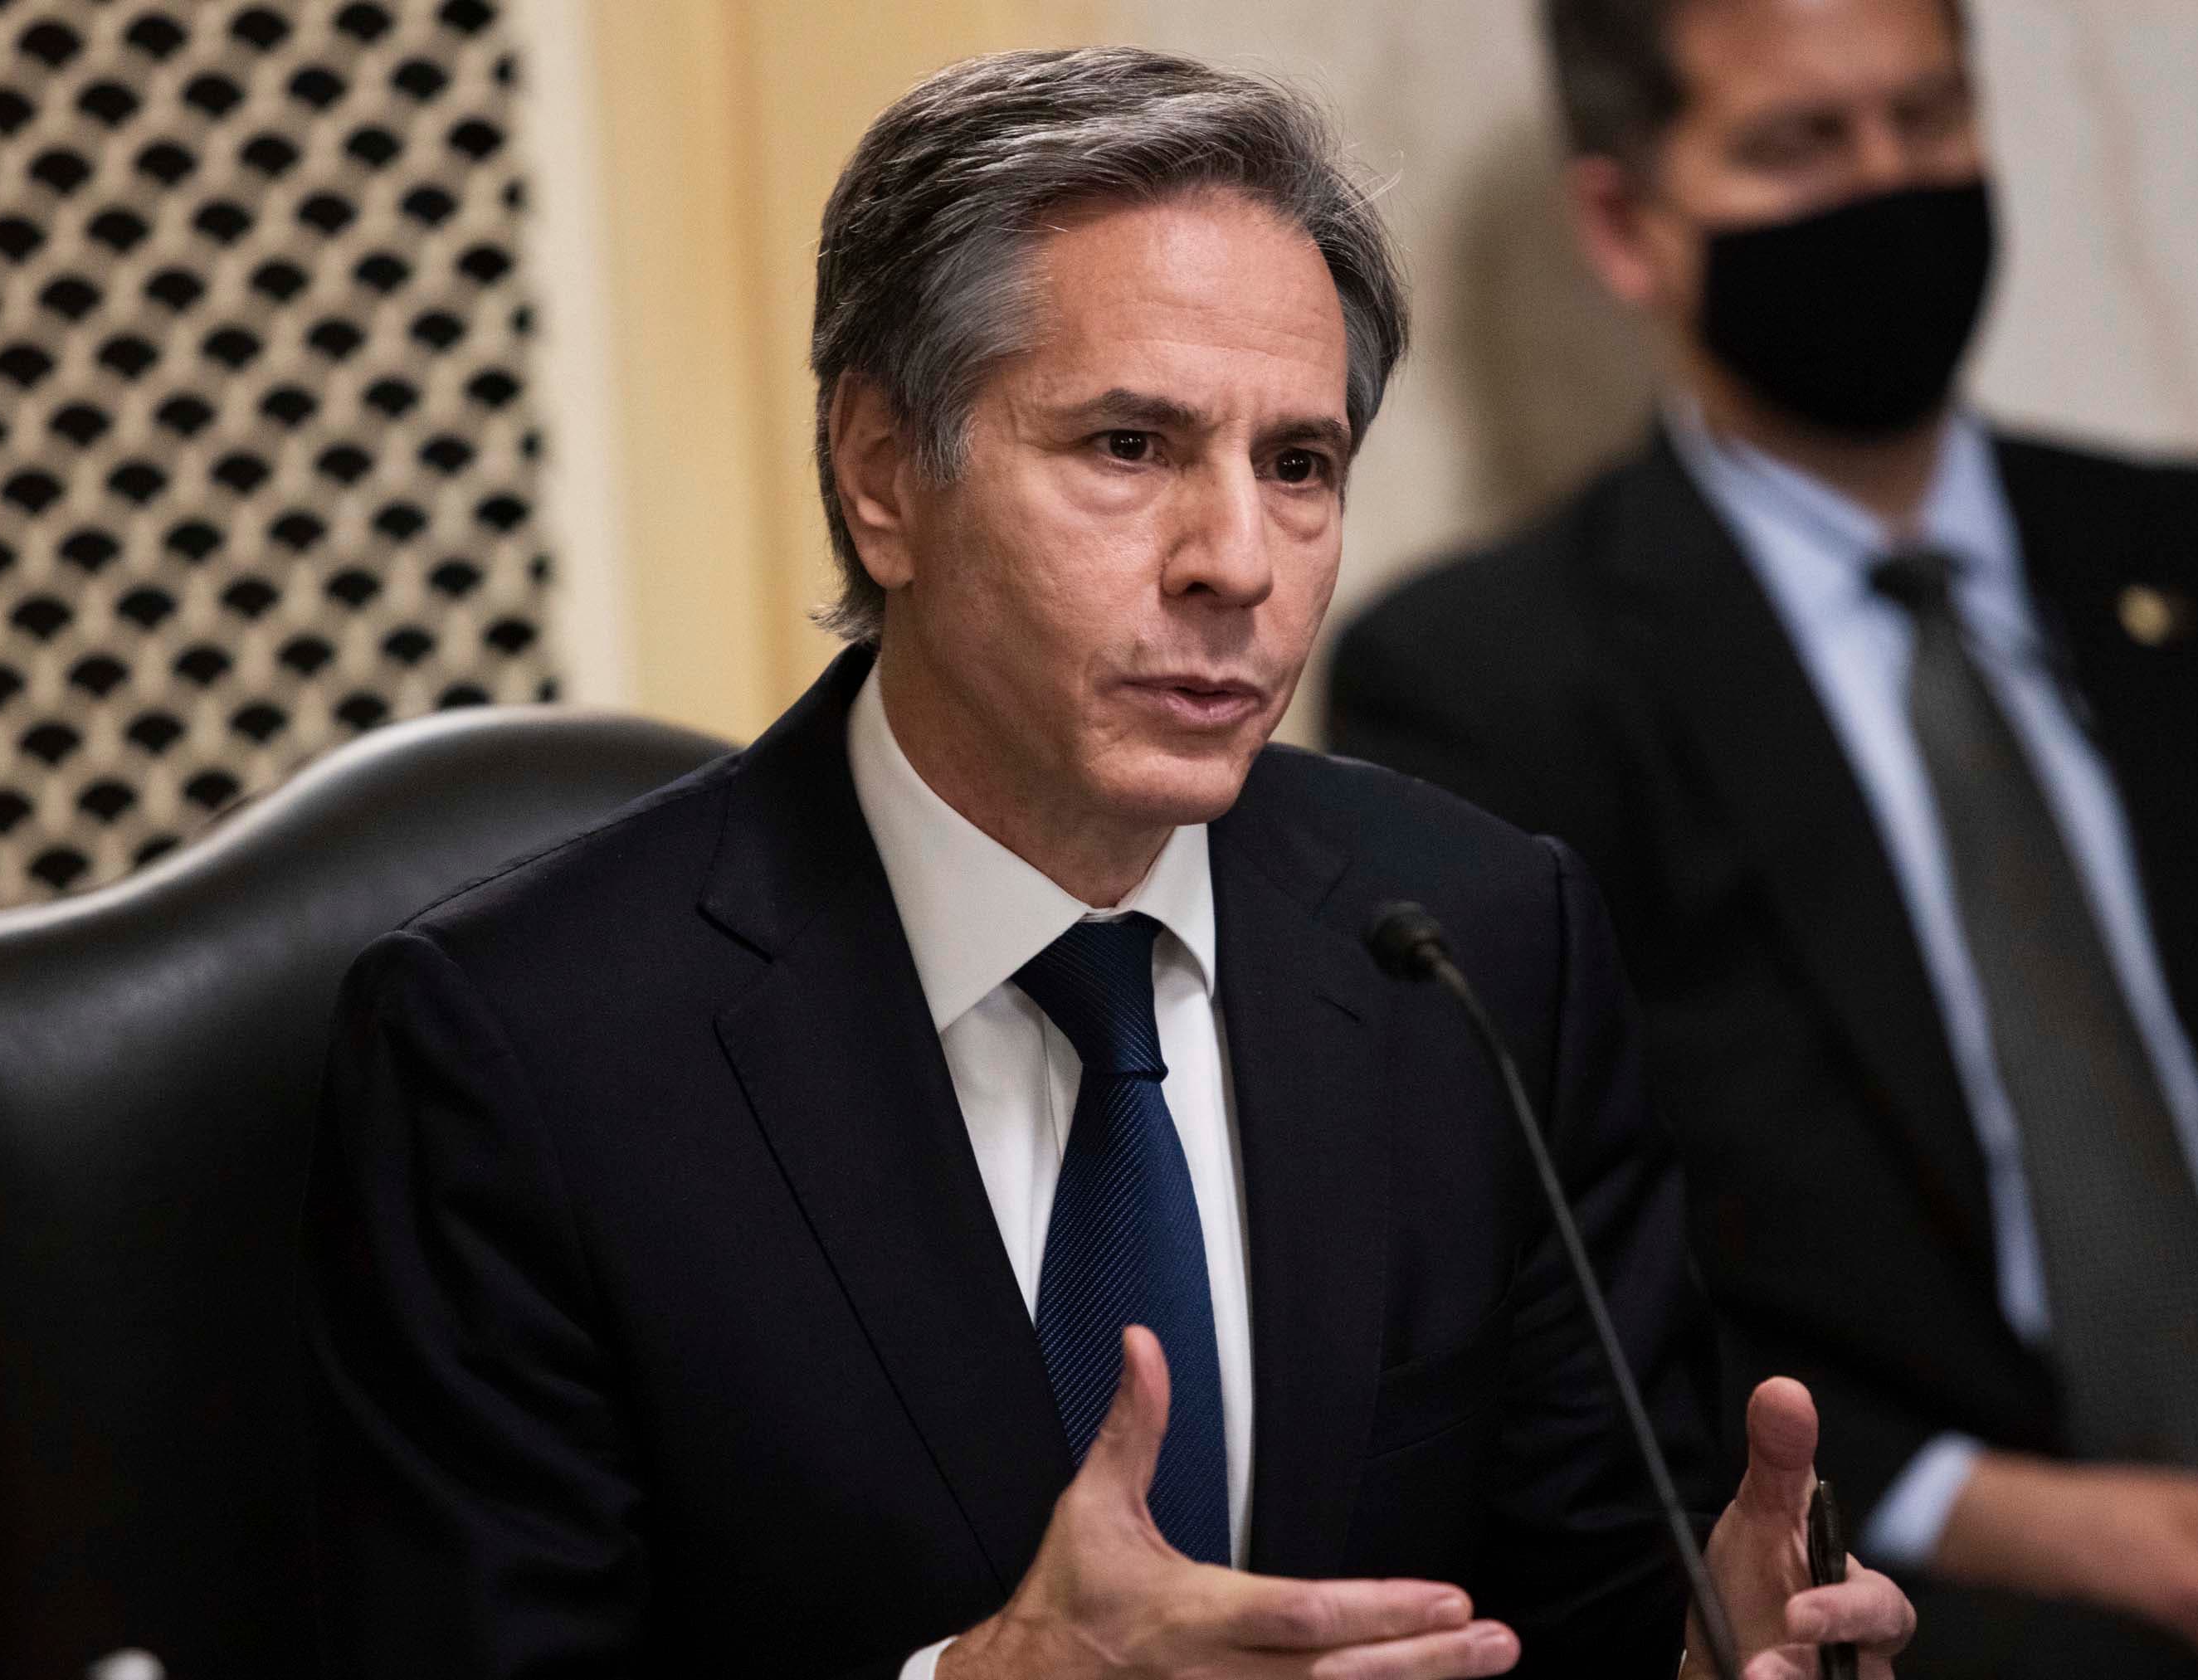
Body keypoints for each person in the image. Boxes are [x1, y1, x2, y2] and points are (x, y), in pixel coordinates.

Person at [304, 46, 1917, 1679]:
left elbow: (1574, 1605)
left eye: (1299, 465)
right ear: (881, 475)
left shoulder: (1474, 944)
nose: (1236, 563)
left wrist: (1704, 1658)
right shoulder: (525, 1054)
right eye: (1130, 446)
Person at [1328, 2, 2198, 1677]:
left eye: (1927, 123)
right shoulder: (1499, 682)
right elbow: (1558, 1277)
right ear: (1623, 225)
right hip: (1935, 1597)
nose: (1890, 185)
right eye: (1803, 142)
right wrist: (2005, 1511)